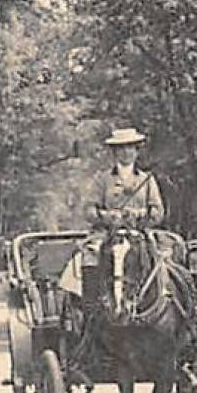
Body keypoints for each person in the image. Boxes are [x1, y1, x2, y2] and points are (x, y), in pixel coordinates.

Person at [57, 127, 166, 298]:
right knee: (88, 258)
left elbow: (158, 212)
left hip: (139, 233)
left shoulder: (147, 180)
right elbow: (88, 210)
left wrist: (139, 214)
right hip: (106, 233)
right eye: (121, 148)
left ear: (137, 151)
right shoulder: (102, 179)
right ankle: (91, 306)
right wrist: (107, 216)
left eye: (130, 147)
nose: (126, 152)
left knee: (163, 258)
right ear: (115, 152)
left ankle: (160, 300)